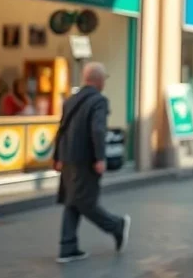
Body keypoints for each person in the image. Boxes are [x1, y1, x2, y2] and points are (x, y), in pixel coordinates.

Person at [53, 62, 131, 263]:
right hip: (85, 161)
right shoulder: (99, 101)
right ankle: (116, 226)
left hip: (68, 159)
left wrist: (57, 157)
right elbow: (97, 130)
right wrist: (100, 158)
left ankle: (67, 247)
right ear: (99, 80)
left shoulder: (71, 100)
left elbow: (61, 129)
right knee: (86, 203)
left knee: (73, 202)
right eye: (104, 78)